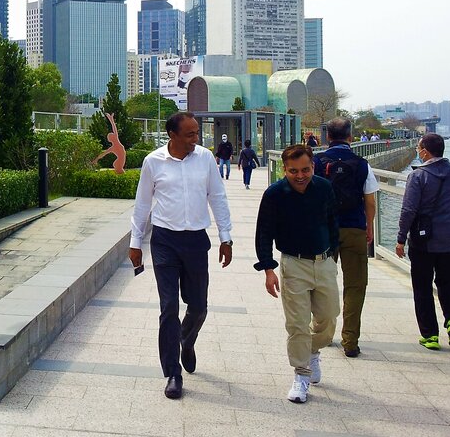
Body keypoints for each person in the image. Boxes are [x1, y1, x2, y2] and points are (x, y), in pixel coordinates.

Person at [130, 112, 233, 400]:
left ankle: (187, 341)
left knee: (198, 306)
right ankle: (173, 373)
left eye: (197, 133)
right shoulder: (153, 162)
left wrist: (226, 237)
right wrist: (135, 241)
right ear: (172, 135)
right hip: (164, 241)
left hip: (196, 240)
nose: (196, 139)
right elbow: (142, 203)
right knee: (168, 308)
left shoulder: (205, 159)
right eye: (190, 134)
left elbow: (218, 197)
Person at [254, 144, 339, 404]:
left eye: (305, 170)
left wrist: (333, 257)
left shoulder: (324, 188)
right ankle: (301, 374)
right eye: (293, 171)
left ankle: (313, 350)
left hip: (324, 262)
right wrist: (269, 269)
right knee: (297, 324)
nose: (300, 175)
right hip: (293, 264)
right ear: (284, 169)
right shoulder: (274, 194)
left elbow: (333, 223)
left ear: (313, 166)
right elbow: (264, 233)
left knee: (328, 319)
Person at [396, 133, 450, 349]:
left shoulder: (418, 177)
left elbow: (408, 210)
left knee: (423, 286)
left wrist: (400, 239)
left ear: (425, 152)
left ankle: (430, 335)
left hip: (423, 241)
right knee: (447, 282)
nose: (417, 151)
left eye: (418, 148)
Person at [314, 117, 377, 358]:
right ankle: (350, 340)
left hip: (323, 231)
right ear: (351, 137)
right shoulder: (362, 164)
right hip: (354, 230)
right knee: (355, 285)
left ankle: (321, 332)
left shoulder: (317, 162)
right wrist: (368, 225)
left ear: (327, 137)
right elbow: (370, 200)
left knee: (320, 283)